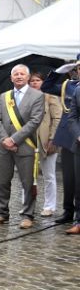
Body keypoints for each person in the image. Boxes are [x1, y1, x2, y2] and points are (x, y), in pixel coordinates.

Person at [0, 64, 44, 229]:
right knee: (2, 182)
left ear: (27, 77)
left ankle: (28, 215)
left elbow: (35, 121)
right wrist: (5, 139)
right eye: (16, 74)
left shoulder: (37, 96)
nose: (19, 76)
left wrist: (14, 139)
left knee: (28, 183)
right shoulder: (5, 96)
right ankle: (2, 213)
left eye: (22, 74)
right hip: (4, 146)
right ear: (11, 78)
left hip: (25, 146)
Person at [41, 55, 80, 224]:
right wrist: (58, 72)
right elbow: (46, 86)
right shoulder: (68, 85)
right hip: (69, 136)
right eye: (77, 67)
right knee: (69, 178)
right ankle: (68, 211)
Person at [29, 71, 62, 217]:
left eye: (37, 80)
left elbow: (57, 118)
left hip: (47, 142)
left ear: (43, 82)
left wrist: (52, 139)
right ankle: (28, 204)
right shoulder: (26, 97)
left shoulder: (50, 96)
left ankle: (49, 206)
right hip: (29, 142)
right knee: (28, 176)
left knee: (48, 175)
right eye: (32, 81)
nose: (34, 83)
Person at [65, 83, 80, 234]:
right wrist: (78, 135)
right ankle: (78, 221)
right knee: (79, 186)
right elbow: (72, 118)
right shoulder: (77, 90)